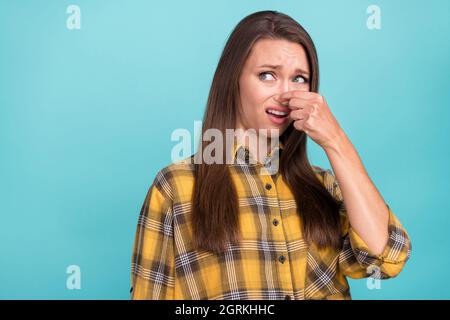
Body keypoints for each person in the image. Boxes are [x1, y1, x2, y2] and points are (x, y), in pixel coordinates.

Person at [130, 10, 411, 300]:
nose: (285, 94)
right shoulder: (175, 187)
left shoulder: (325, 186)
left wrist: (335, 141)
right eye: (267, 75)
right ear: (233, 79)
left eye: (299, 79)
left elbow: (387, 258)